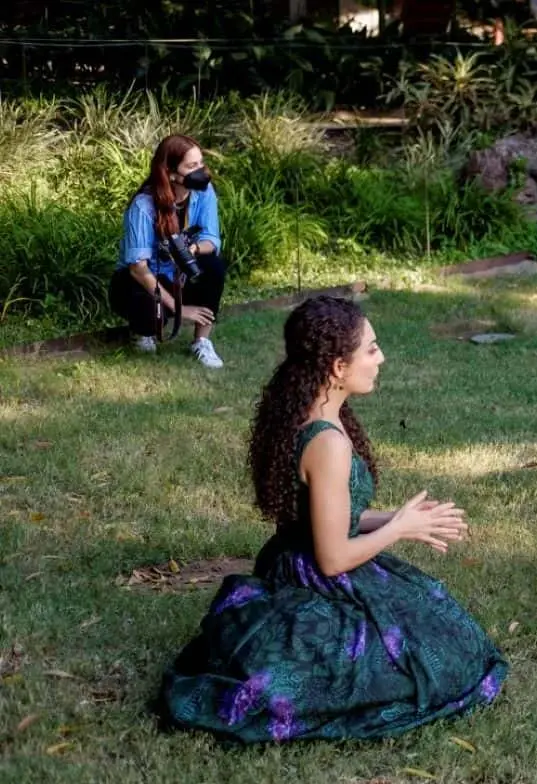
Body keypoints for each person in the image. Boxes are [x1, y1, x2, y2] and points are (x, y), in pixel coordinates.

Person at [159, 296, 508, 743]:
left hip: (293, 558)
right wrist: (398, 528)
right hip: (316, 577)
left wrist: (405, 518)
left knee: (444, 625)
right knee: (446, 657)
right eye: (371, 349)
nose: (381, 358)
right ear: (338, 367)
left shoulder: (313, 411)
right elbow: (333, 558)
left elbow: (333, 515)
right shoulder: (327, 443)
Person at [109, 135, 227, 369]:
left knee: (213, 266)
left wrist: (192, 249)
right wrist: (180, 309)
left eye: (201, 163)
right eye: (192, 166)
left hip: (178, 275)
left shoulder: (204, 192)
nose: (201, 171)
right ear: (172, 173)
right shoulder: (143, 206)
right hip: (140, 280)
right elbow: (138, 269)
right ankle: (144, 332)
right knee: (148, 309)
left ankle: (201, 341)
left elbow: (212, 239)